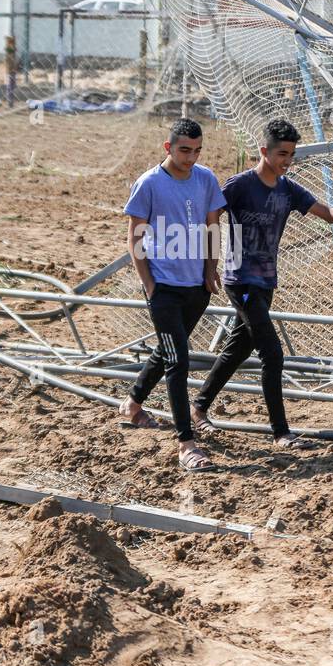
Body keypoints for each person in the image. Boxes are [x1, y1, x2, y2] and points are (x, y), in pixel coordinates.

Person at [191, 118, 333, 448]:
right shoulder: (239, 185)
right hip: (241, 282)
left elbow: (328, 213)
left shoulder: (287, 189)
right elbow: (210, 216)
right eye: (282, 154)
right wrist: (209, 265)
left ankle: (199, 406)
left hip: (266, 283)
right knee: (273, 355)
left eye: (291, 154)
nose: (287, 161)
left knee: (238, 348)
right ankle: (281, 432)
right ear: (264, 151)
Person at [120, 117, 226, 472]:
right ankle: (186, 444)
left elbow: (214, 226)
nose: (191, 157)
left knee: (168, 350)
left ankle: (133, 404)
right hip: (163, 287)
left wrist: (210, 271)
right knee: (178, 360)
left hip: (196, 287)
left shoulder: (206, 178)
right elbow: (135, 237)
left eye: (197, 150)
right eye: (184, 150)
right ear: (168, 147)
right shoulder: (149, 184)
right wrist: (149, 284)